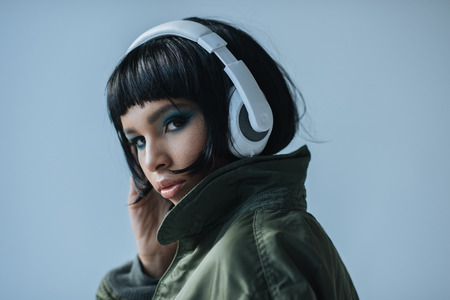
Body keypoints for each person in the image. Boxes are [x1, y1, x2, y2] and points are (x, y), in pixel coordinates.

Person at [97, 17, 358, 300]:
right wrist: (153, 267)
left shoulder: (253, 255)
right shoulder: (241, 245)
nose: (150, 161)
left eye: (173, 123)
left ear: (243, 117)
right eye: (138, 141)